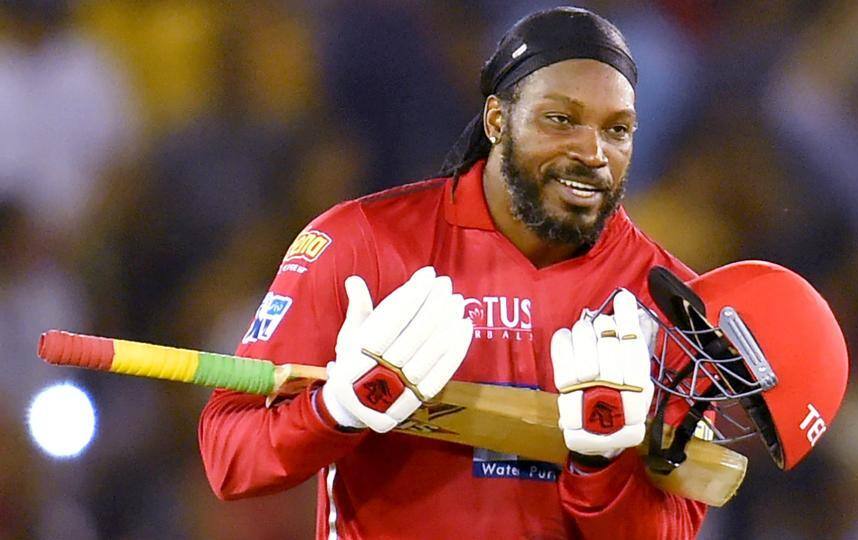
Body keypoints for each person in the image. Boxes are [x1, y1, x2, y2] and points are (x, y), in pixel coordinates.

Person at [200, 7, 707, 538]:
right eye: (560, 119)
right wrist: (338, 409)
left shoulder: (669, 300)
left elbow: (675, 529)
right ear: (497, 120)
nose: (592, 152)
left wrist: (601, 466)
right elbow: (229, 458)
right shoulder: (361, 243)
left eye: (617, 129)